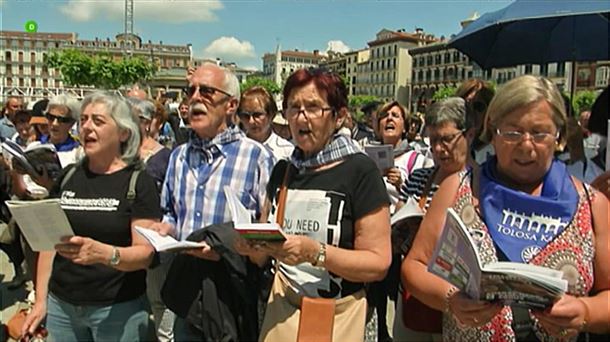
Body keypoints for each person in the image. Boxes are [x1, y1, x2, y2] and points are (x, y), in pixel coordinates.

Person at [402, 75, 609, 341]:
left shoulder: (592, 206)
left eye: (539, 133)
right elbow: (414, 267)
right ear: (493, 132)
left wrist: (585, 310)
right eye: (512, 132)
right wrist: (451, 300)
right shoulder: (458, 189)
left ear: (558, 137)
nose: (525, 145)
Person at [238, 68, 391, 342]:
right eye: (293, 108)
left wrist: (315, 252)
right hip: (283, 315)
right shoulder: (283, 171)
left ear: (338, 116)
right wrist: (252, 246)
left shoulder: (360, 171)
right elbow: (262, 253)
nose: (301, 117)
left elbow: (378, 263)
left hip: (341, 318)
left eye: (312, 107)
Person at [20, 91, 162, 341]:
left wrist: (104, 254)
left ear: (124, 133)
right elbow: (49, 246)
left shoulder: (138, 182)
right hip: (61, 308)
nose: (86, 127)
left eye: (98, 121)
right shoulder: (68, 177)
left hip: (118, 310)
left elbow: (145, 254)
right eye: (83, 119)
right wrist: (41, 300)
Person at [150, 62, 274, 341]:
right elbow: (170, 212)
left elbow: (268, 229)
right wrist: (165, 229)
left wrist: (226, 248)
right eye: (190, 90)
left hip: (231, 290)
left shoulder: (256, 157)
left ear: (231, 105)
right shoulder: (179, 156)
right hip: (186, 287)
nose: (194, 98)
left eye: (206, 91)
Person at [394, 97, 474, 341]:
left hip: (463, 298)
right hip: (414, 294)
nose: (439, 149)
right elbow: (395, 231)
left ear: (469, 135)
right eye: (433, 140)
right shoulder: (419, 179)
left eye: (447, 139)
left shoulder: (483, 186)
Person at [127, 97, 174, 342]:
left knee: (159, 300)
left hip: (155, 240)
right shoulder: (120, 154)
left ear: (148, 123)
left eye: (136, 118)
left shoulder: (166, 157)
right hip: (125, 238)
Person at [376, 100, 433, 213]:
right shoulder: (366, 157)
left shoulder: (416, 160)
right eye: (385, 116)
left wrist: (401, 185)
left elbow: (420, 200)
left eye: (395, 115)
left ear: (404, 128)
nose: (389, 118)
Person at [238, 86, 294, 160]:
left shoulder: (286, 151)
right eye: (245, 116)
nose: (251, 121)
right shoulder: (235, 147)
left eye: (257, 115)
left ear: (271, 115)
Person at [456, 79, 495, 165]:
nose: (471, 111)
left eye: (478, 106)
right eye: (465, 105)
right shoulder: (448, 149)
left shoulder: (497, 154)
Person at [41, 95, 83, 167]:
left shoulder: (79, 154)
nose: (55, 124)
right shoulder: (34, 146)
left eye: (61, 120)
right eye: (51, 117)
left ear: (72, 122)